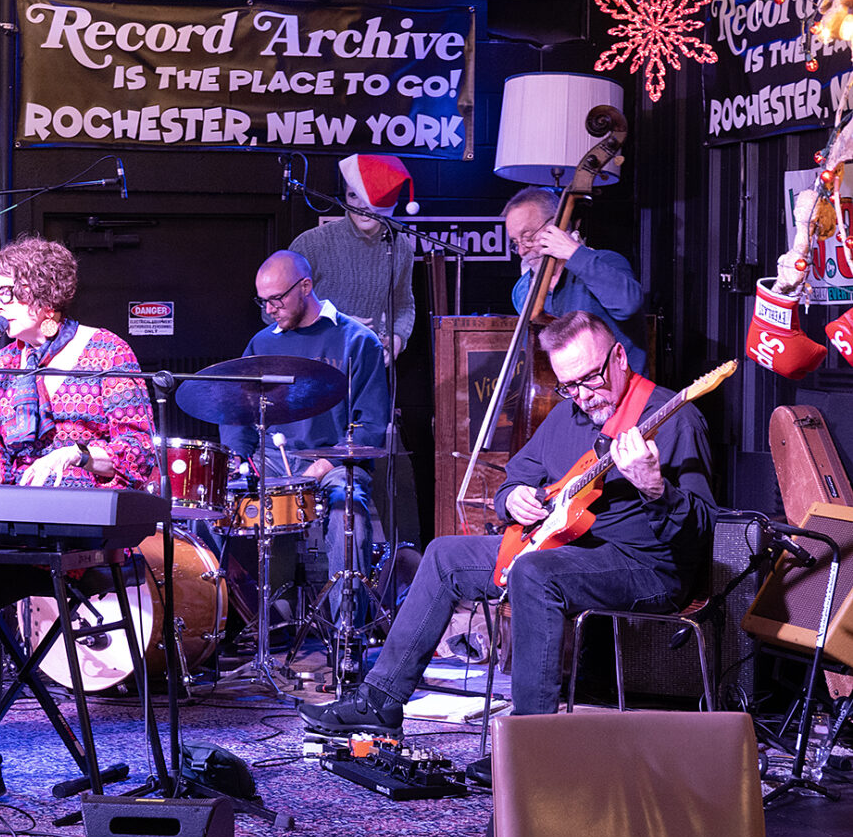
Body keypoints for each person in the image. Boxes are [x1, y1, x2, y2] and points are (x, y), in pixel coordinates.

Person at [300, 312, 715, 779]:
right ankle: (380, 701)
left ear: (619, 357)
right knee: (443, 555)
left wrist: (656, 488)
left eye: (591, 378)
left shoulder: (676, 418)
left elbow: (701, 532)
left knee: (535, 574)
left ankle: (530, 745)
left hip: (648, 566)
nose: (583, 395)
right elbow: (516, 477)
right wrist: (510, 499)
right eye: (569, 385)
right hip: (570, 550)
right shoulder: (567, 415)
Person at [0, 235, 156, 797]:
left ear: (43, 298)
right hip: (17, 521)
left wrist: (73, 454)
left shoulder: (107, 353)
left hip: (82, 529)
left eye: (3, 295)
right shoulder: (4, 362)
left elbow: (139, 453)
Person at [218, 249, 391, 632]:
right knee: (206, 505)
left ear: (306, 287)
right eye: (263, 302)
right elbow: (236, 412)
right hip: (273, 459)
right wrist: (242, 459)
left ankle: (347, 636)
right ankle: (223, 629)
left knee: (350, 511)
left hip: (335, 463)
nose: (269, 311)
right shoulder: (262, 343)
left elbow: (371, 424)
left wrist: (324, 465)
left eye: (277, 300)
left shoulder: (356, 342)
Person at [504, 185, 648, 372]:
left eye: (528, 237)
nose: (522, 251)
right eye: (516, 243)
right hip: (560, 397)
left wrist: (574, 253)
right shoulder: (522, 290)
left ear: (557, 225)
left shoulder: (606, 262)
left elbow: (629, 304)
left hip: (621, 396)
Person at [289, 153, 416, 359]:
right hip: (313, 361)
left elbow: (403, 304)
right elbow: (272, 311)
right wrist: (332, 320)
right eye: (353, 195)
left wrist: (397, 338)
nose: (362, 206)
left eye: (371, 195)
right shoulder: (312, 243)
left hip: (367, 361)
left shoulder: (400, 247)